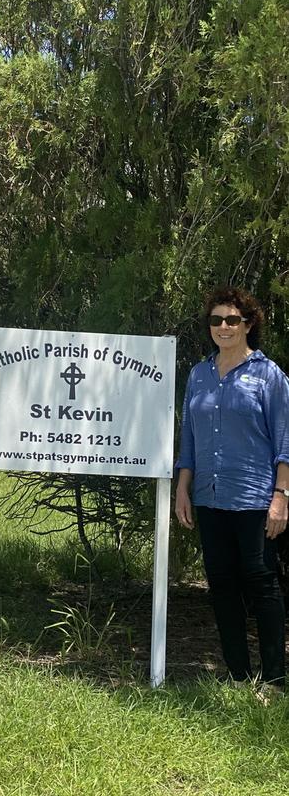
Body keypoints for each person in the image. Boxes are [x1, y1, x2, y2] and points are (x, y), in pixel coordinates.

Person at [175, 285, 289, 694]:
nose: (224, 327)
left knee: (261, 583)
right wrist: (183, 489)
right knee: (221, 584)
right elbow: (188, 436)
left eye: (232, 320)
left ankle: (274, 678)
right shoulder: (199, 374)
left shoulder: (269, 375)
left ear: (248, 323)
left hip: (255, 499)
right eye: (216, 320)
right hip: (208, 496)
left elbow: (285, 441)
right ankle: (238, 674)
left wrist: (281, 497)